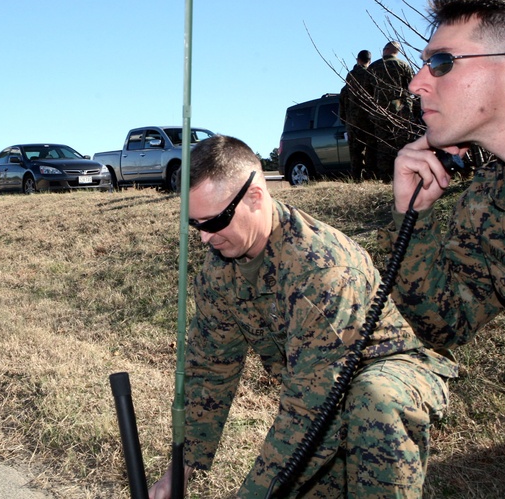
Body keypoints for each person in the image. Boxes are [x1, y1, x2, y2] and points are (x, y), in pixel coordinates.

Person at [149, 135, 456, 499]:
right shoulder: (221, 267)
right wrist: (181, 470)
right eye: (194, 224)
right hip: (320, 389)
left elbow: (310, 408)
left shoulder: (321, 269)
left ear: (255, 198)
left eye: (214, 221)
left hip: (391, 377)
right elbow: (210, 367)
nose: (203, 238)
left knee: (374, 399)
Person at [387, 0, 505, 489]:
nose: (416, 82)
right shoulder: (489, 202)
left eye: (442, 62)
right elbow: (443, 323)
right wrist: (414, 218)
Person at [368, 41, 418, 180]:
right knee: (404, 142)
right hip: (401, 109)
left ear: (387, 49)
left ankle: (386, 176)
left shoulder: (374, 67)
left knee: (383, 143)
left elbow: (367, 90)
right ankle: (407, 175)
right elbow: (412, 86)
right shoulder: (403, 65)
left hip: (380, 110)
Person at [339, 49, 376, 181]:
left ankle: (356, 178)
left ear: (357, 59)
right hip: (369, 119)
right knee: (370, 149)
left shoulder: (350, 76)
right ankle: (371, 177)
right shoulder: (371, 75)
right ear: (369, 61)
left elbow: (343, 97)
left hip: (353, 120)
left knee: (355, 152)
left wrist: (344, 118)